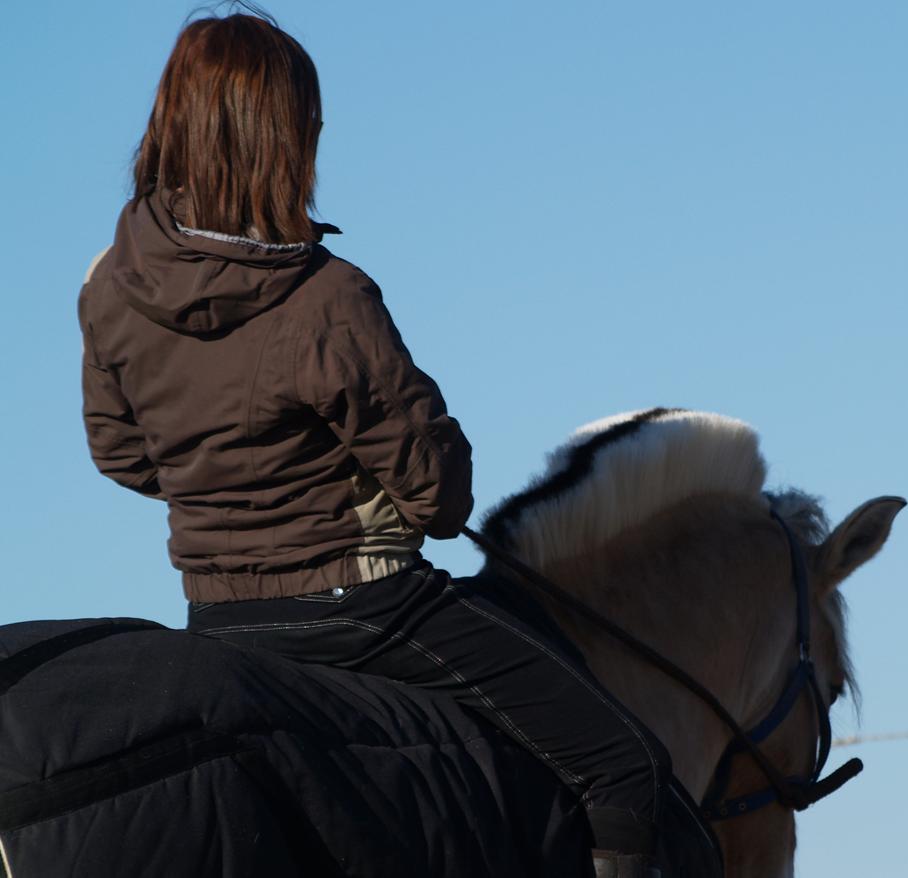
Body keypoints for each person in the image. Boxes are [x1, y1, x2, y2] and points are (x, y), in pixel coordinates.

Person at [78, 9, 668, 877]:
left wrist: (228, 487)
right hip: (364, 610)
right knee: (627, 765)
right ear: (279, 138)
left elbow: (122, 456)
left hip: (213, 616)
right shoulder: (327, 297)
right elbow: (439, 497)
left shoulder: (107, 286)